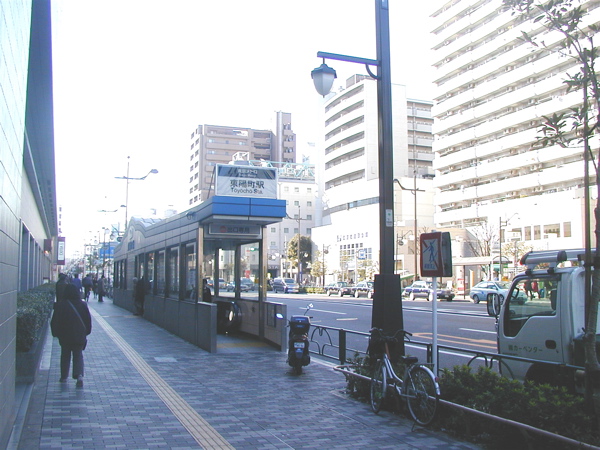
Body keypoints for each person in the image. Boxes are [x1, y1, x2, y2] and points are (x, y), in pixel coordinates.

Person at [50, 284, 92, 388]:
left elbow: (55, 321)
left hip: (65, 335)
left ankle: (64, 376)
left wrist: (56, 333)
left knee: (65, 355)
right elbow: (88, 320)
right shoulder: (83, 305)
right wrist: (86, 332)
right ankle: (79, 375)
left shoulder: (61, 305)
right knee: (78, 355)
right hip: (79, 335)